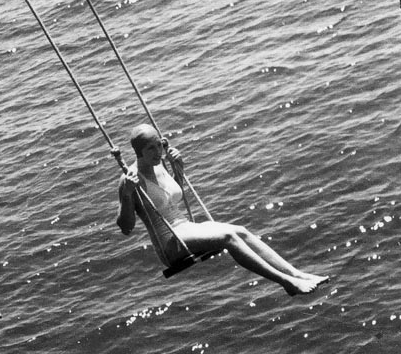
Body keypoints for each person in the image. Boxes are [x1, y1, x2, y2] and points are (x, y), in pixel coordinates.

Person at [116, 124, 329, 296]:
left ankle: (297, 274)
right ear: (138, 153)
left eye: (158, 145)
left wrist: (178, 170)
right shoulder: (131, 179)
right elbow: (126, 227)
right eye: (151, 149)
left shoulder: (160, 164)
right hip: (171, 244)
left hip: (187, 228)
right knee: (228, 237)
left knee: (241, 230)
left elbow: (173, 197)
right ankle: (288, 282)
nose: (158, 152)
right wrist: (126, 195)